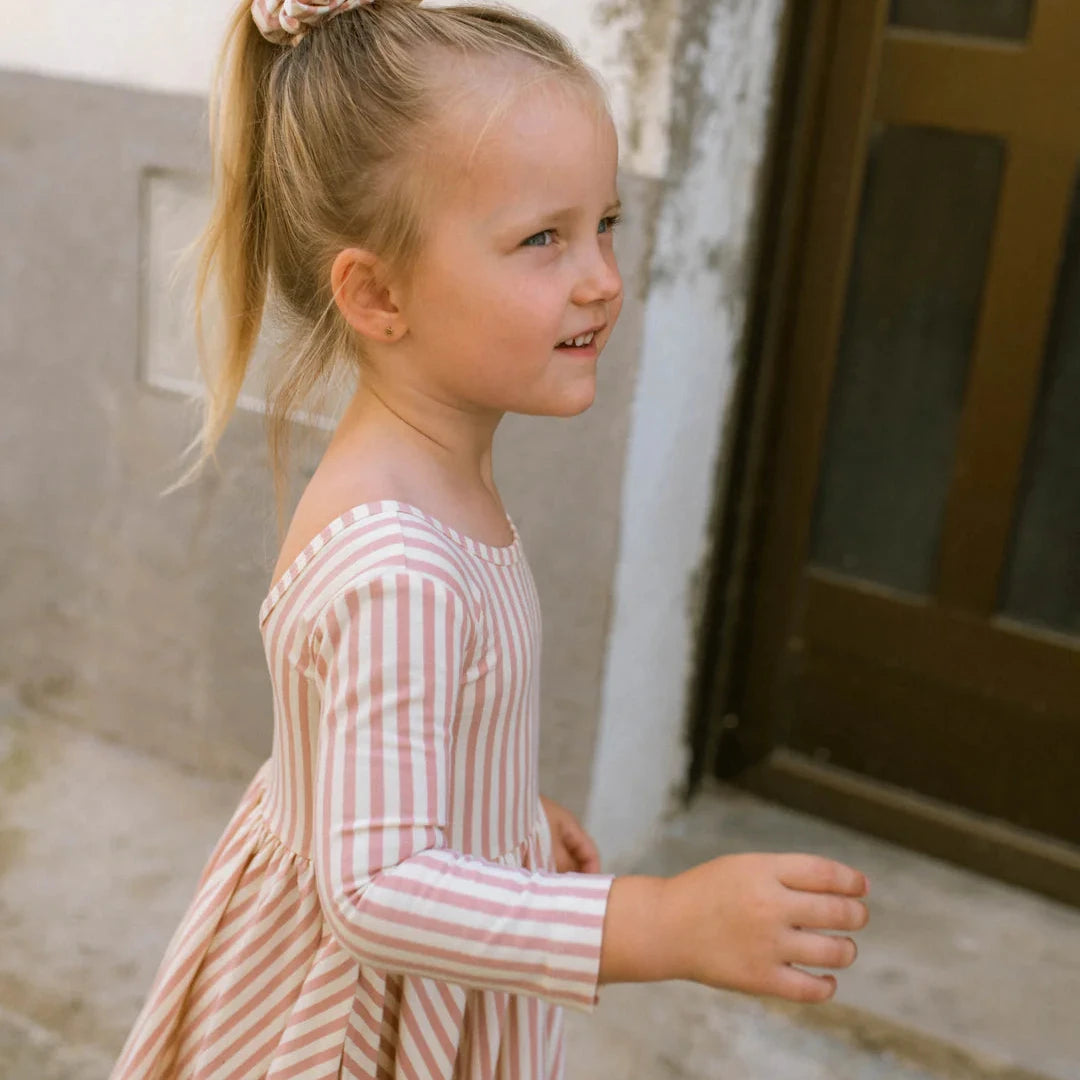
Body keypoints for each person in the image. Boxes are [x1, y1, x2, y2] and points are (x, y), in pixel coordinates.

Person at [111, 1, 870, 1077]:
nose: (601, 277)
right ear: (377, 292)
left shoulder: (421, 475)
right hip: (354, 1021)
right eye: (541, 239)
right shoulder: (401, 565)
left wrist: (497, 811)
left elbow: (372, 745)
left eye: (606, 223)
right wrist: (656, 922)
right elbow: (377, 889)